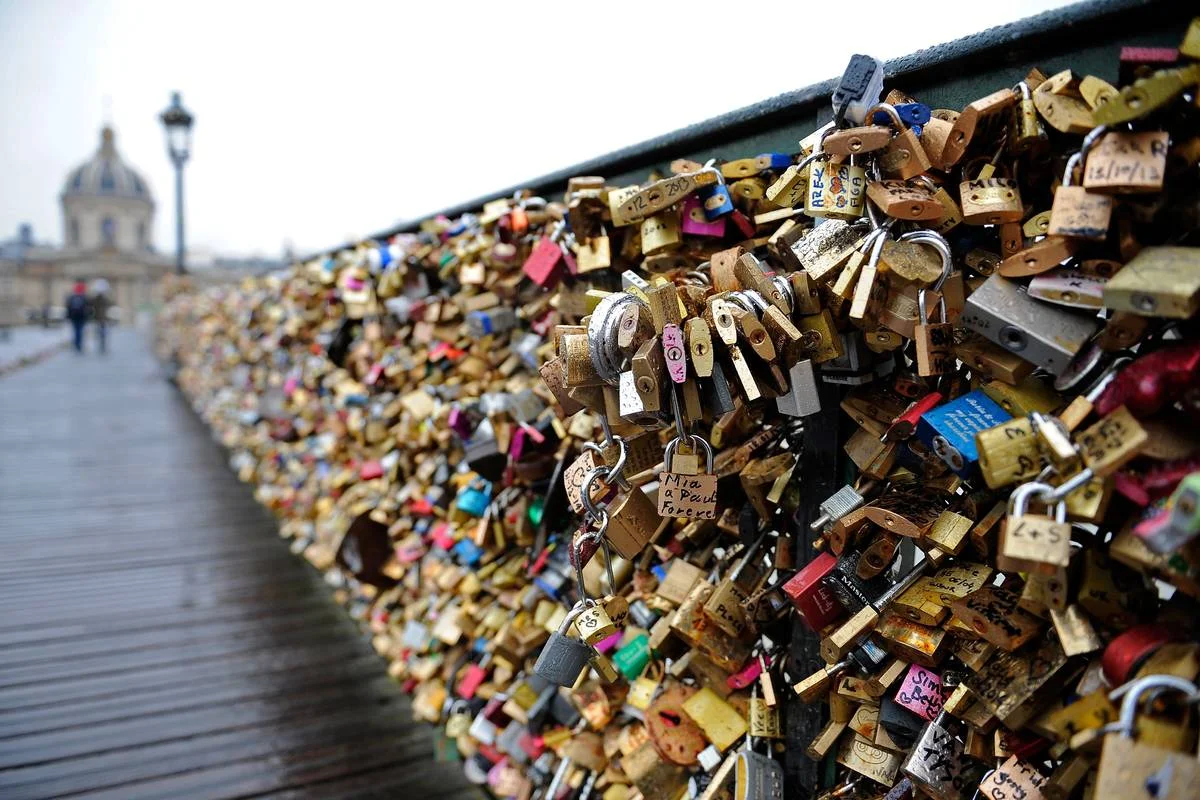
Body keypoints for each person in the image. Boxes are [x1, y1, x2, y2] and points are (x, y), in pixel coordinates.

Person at [65, 281, 89, 353]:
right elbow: (87, 308)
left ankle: (77, 344)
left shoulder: (72, 297)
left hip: (74, 317)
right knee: (80, 331)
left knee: (76, 331)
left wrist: (68, 316)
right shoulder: (83, 297)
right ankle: (78, 344)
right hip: (81, 317)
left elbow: (68, 307)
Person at [91, 278, 112, 354]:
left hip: (100, 318)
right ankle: (102, 346)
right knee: (102, 333)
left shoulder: (97, 298)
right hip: (101, 319)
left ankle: (102, 346)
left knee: (101, 333)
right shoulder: (102, 299)